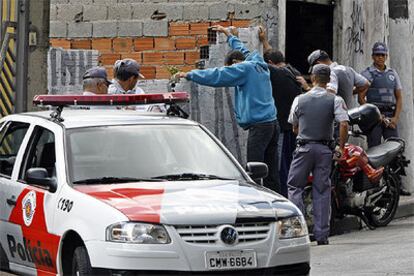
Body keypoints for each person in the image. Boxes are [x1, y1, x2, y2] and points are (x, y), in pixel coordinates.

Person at [175, 25, 280, 193]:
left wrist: (190, 74)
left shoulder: (244, 69)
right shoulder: (257, 62)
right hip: (272, 124)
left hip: (260, 127)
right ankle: (277, 201)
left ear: (236, 64)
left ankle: (256, 204)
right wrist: (229, 35)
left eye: (232, 68)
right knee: (271, 171)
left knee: (254, 171)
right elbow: (242, 49)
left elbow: (218, 75)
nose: (232, 71)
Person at [287, 64, 349, 245]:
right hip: (324, 150)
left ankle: (299, 233)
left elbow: (294, 126)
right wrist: (341, 147)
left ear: (312, 78)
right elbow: (344, 123)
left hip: (304, 148)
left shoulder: (300, 99)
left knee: (294, 187)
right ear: (328, 80)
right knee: (322, 190)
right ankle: (322, 235)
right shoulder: (335, 100)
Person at [359, 42, 410, 196]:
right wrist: (376, 115)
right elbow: (361, 98)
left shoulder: (392, 74)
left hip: (390, 115)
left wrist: (395, 117)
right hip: (375, 117)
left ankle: (396, 186)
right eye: (377, 55)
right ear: (373, 56)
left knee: (395, 150)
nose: (380, 58)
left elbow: (399, 98)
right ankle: (374, 186)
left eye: (383, 55)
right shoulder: (367, 73)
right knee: (374, 150)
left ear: (386, 56)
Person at [258, 27, 302, 197]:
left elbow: (262, 63)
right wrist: (264, 41)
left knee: (280, 167)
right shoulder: (293, 72)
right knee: (290, 164)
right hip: (294, 128)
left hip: (282, 128)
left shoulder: (276, 74)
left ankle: (283, 196)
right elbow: (273, 56)